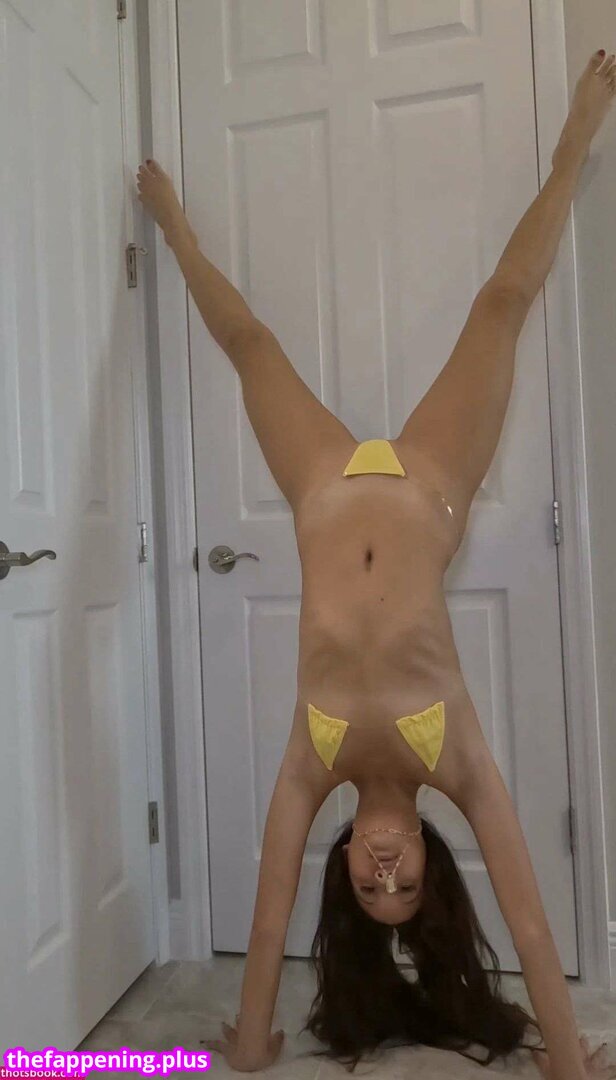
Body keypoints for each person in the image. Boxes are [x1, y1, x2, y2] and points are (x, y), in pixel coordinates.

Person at [137, 51, 616, 1078]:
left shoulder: (310, 764)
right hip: (428, 486)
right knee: (501, 303)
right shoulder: (457, 759)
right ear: (432, 867)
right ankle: (576, 145)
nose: (385, 875)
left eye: (369, 888)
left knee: (250, 343)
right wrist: (569, 1062)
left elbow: (268, 918)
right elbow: (532, 923)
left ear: (346, 864)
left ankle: (176, 233)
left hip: (322, 486)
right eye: (405, 886)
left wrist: (251, 1045)